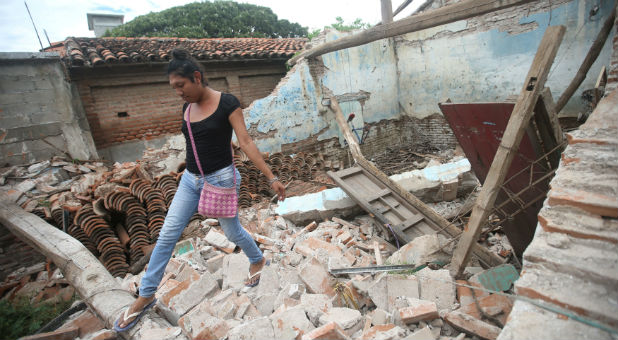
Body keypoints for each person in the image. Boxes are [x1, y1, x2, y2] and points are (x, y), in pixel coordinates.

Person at [114, 49, 286, 332]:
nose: (178, 93)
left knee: (231, 233)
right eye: (174, 88)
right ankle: (145, 295)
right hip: (190, 180)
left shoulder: (227, 103)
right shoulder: (186, 108)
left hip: (221, 179)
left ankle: (256, 259)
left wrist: (271, 177)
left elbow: (245, 141)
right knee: (168, 232)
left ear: (196, 77)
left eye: (181, 86)